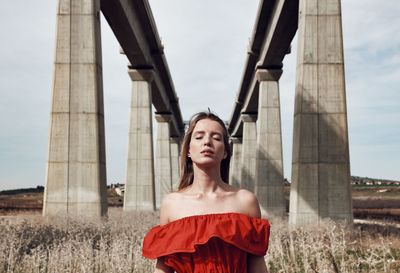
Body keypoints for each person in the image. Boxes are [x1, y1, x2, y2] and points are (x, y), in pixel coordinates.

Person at [142, 111, 270, 273]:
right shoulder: (172, 204)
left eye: (216, 138)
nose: (207, 142)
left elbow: (257, 266)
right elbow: (163, 268)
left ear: (225, 152)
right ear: (188, 150)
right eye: (199, 137)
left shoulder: (245, 201)